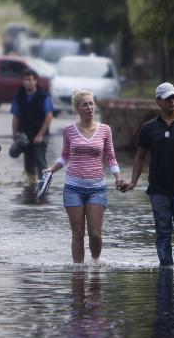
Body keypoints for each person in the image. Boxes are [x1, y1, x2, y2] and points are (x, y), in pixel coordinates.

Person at [120, 82, 174, 266]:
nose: (172, 101)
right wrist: (133, 182)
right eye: (168, 99)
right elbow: (140, 156)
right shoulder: (149, 127)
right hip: (158, 189)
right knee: (163, 231)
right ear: (158, 102)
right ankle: (166, 267)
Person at [45, 90, 124, 263]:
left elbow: (110, 157)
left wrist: (117, 177)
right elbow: (65, 156)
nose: (89, 107)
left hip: (97, 188)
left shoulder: (105, 130)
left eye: (91, 103)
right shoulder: (69, 131)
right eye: (84, 104)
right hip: (73, 188)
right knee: (78, 233)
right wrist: (52, 169)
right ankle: (78, 272)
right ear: (77, 108)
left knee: (95, 234)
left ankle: (95, 264)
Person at [11, 68, 54, 185]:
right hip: (25, 135)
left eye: (29, 79)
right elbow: (16, 117)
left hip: (41, 134)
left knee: (40, 160)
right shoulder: (19, 96)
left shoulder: (43, 96)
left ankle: (44, 184)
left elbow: (49, 116)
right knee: (28, 162)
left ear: (35, 81)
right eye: (24, 79)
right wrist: (15, 135)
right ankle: (31, 186)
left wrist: (40, 135)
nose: (27, 82)